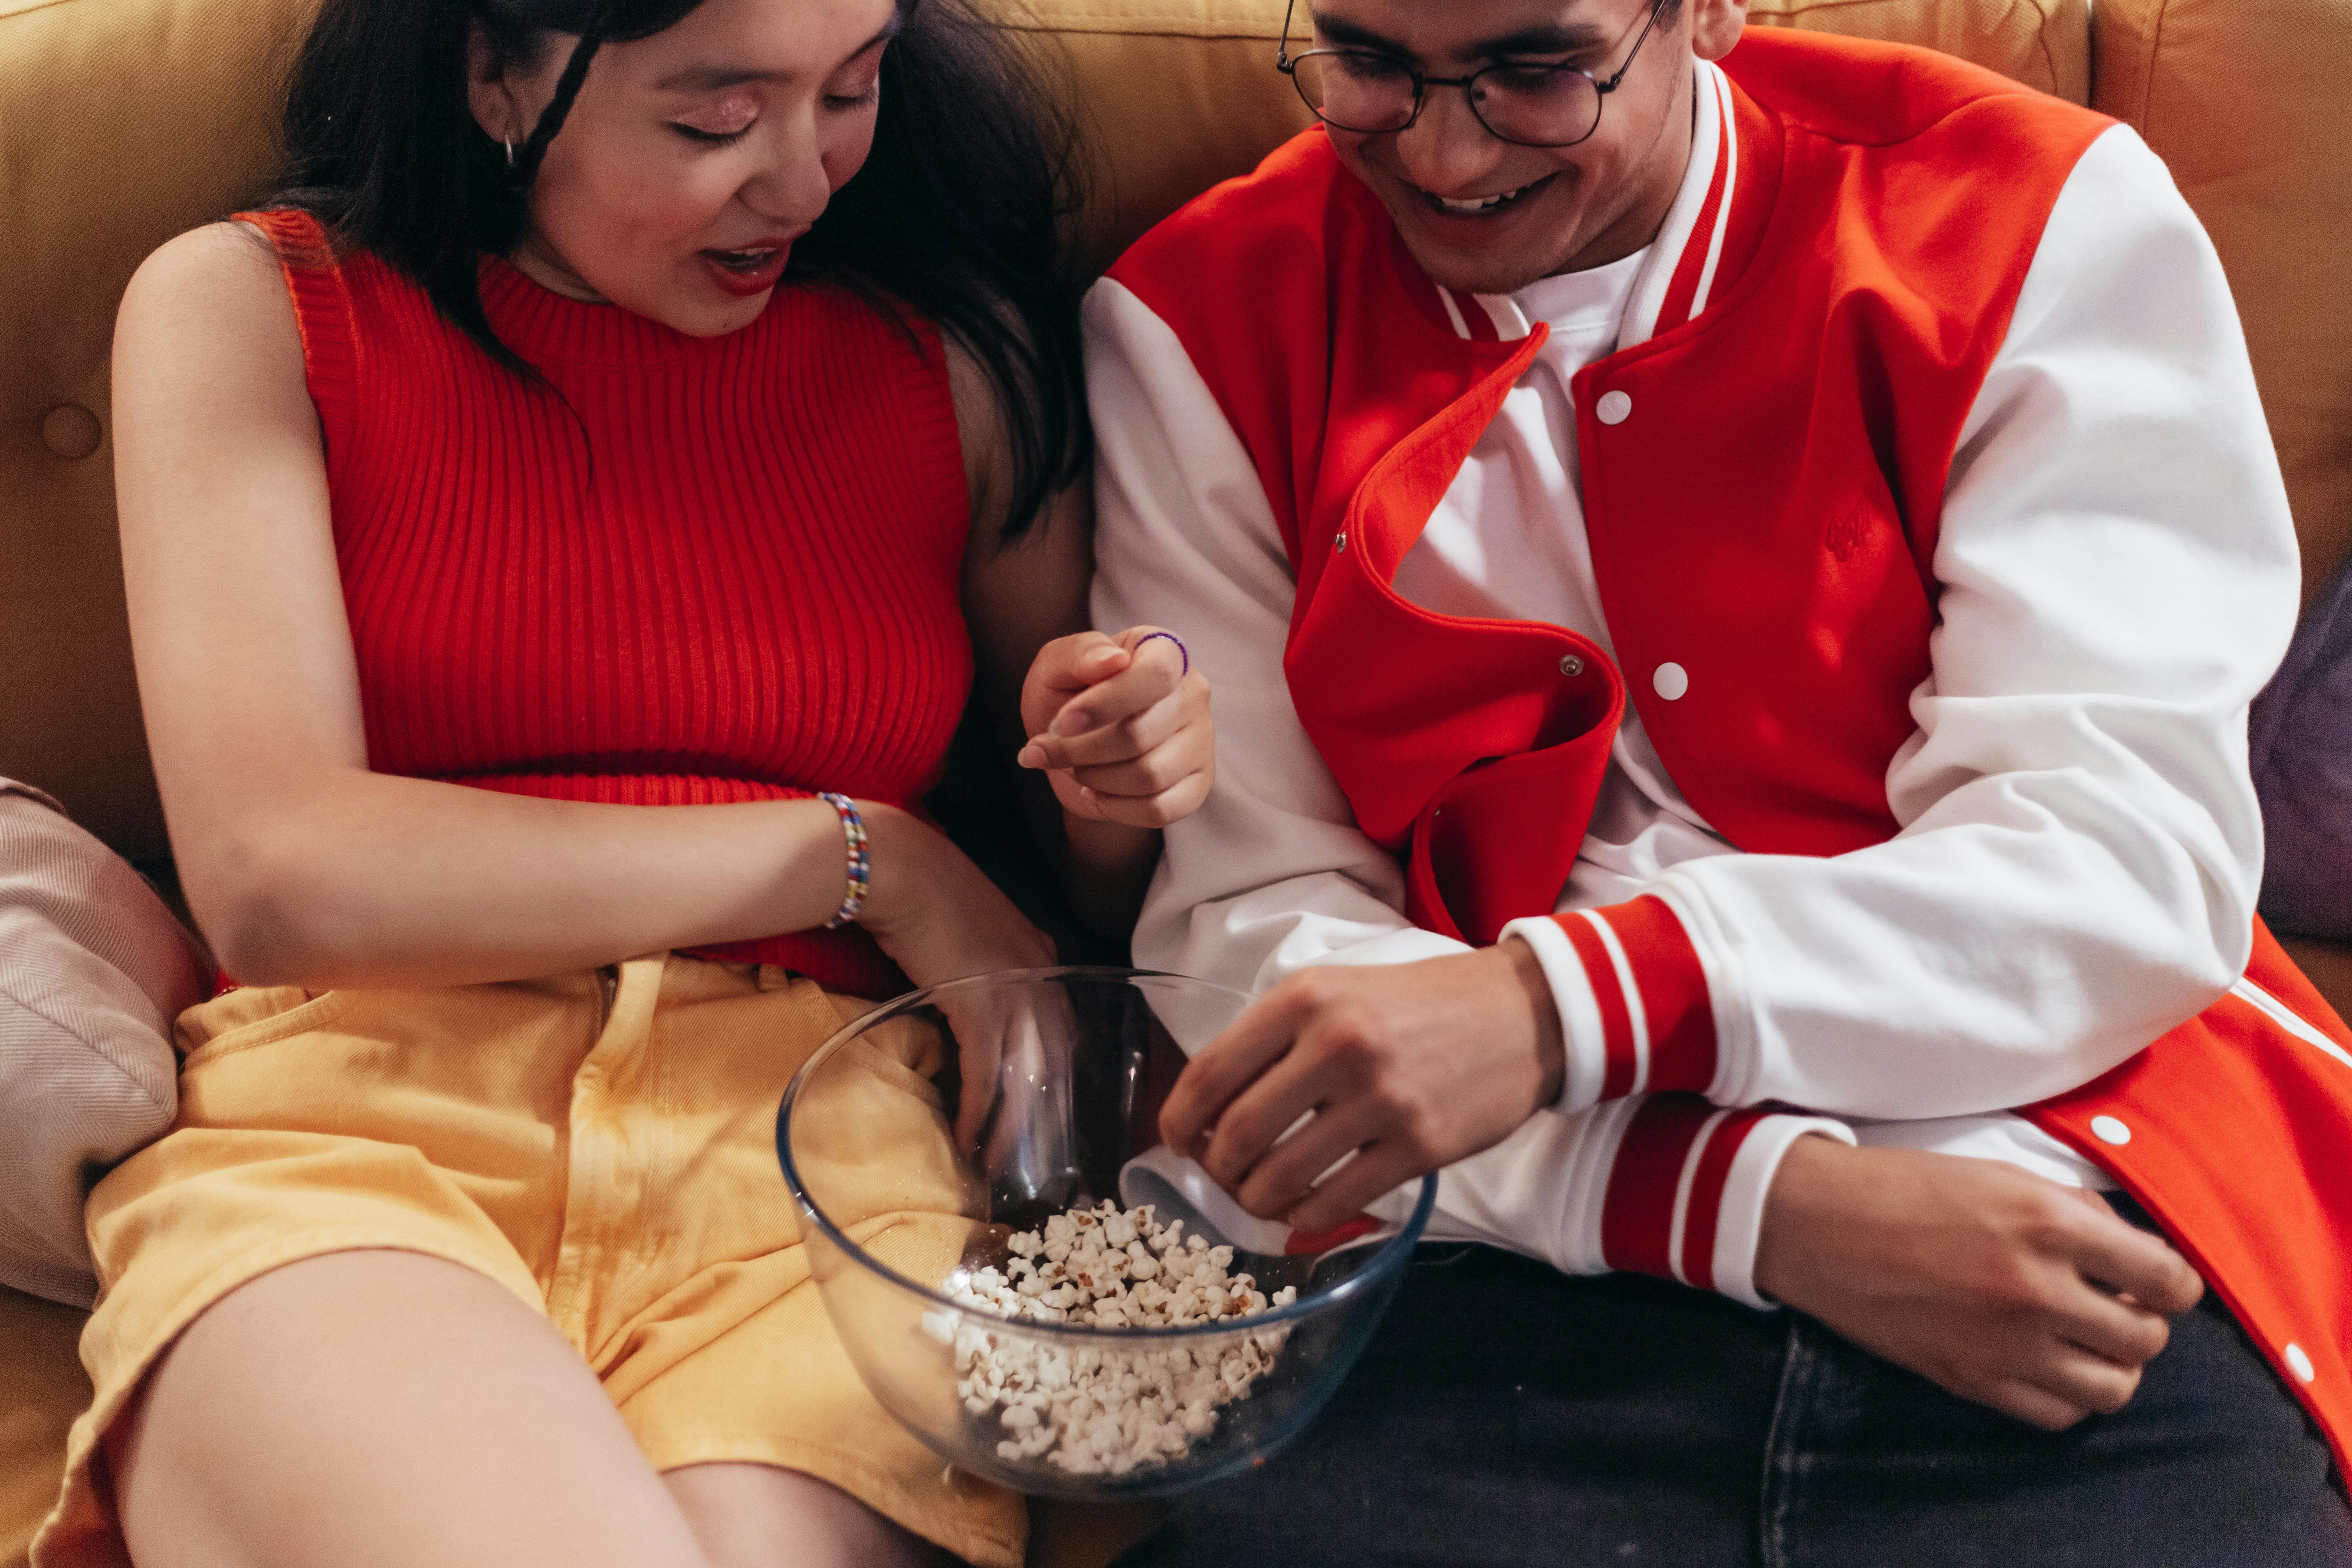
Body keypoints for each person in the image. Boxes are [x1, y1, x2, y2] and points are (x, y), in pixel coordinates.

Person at [1085, 0, 2352, 1561]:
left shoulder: (2034, 212)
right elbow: (1245, 932)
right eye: (1369, 65)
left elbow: (2123, 854)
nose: (1442, 148)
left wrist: (1547, 1008)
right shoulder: (1196, 317)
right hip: (1481, 1244)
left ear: (1710, 12)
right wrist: (1737, 1204)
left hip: (2048, 1172)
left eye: (1536, 73)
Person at [31, 0, 1215, 1565]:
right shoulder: (256, 306)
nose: (802, 180)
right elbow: (283, 872)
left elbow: (1063, 904)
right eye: (716, 118)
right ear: (498, 74)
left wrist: (1117, 783)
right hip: (359, 1131)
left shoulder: (961, 369)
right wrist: (866, 860)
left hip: (825, 1180)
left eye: (851, 92)